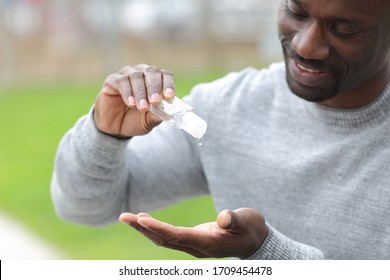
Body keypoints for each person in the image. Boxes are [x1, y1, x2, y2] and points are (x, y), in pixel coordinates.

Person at [50, 0, 390, 260]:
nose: (305, 46)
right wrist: (105, 134)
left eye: (344, 29)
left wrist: (267, 253)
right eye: (297, 12)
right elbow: (84, 208)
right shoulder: (230, 106)